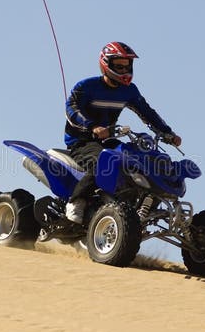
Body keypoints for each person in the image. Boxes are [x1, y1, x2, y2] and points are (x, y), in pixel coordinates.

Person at [63, 41, 182, 223]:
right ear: (106, 64)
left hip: (108, 140)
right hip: (81, 141)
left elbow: (147, 112)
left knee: (138, 160)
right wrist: (92, 127)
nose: (124, 69)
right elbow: (71, 109)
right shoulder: (86, 86)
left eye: (127, 65)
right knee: (104, 162)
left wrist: (168, 133)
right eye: (119, 65)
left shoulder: (129, 91)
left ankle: (137, 203)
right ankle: (76, 201)